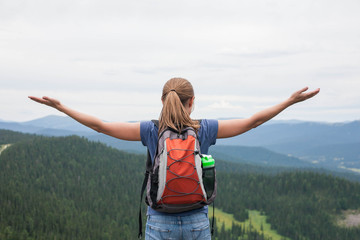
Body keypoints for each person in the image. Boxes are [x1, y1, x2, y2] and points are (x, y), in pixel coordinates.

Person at [29, 77, 320, 239]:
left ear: (162, 101)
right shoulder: (204, 129)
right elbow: (252, 122)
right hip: (196, 222)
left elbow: (100, 126)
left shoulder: (150, 131)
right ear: (192, 102)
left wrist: (62, 107)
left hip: (159, 222)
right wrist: (289, 101)